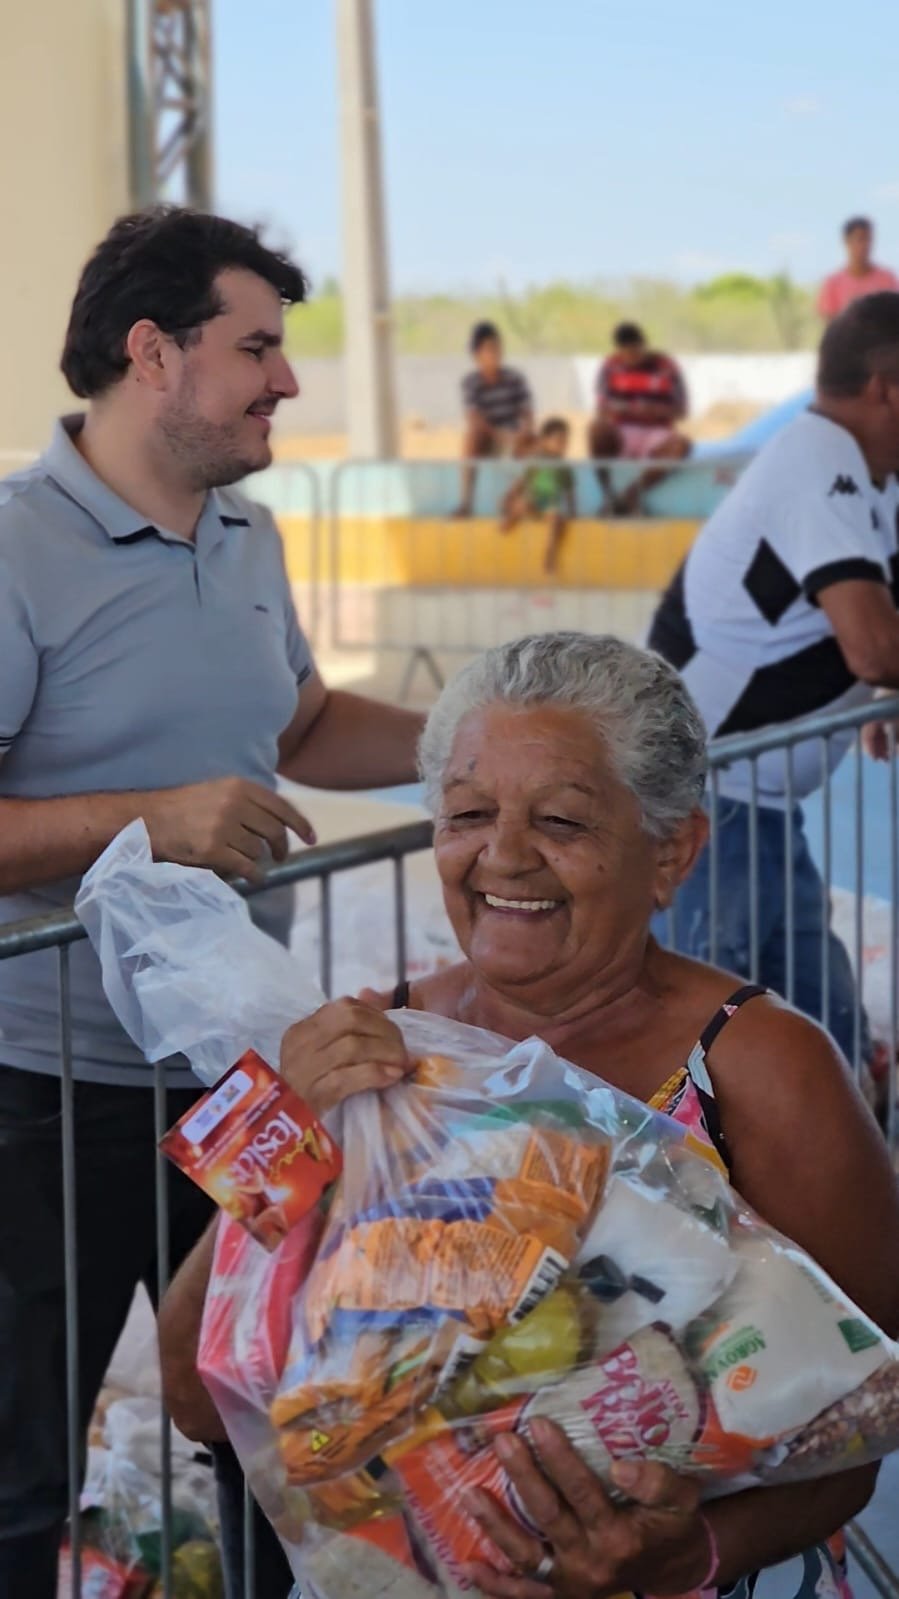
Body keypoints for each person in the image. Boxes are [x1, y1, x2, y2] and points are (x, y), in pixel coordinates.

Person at [160, 632, 899, 1599]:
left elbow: (864, 1419)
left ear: (671, 850)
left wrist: (688, 1556)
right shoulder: (353, 1046)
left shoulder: (765, 1068)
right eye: (468, 813)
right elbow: (195, 1397)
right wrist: (282, 1132)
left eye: (561, 820)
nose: (503, 856)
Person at [0, 204, 424, 1599]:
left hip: (246, 1088)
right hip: (46, 1094)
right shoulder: (13, 546)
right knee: (22, 1467)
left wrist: (478, 736)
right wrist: (150, 821)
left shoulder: (248, 536)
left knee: (284, 1425)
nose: (284, 379)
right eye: (256, 348)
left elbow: (301, 726)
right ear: (152, 352)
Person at [648, 292, 899, 1077]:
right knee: (693, 1050)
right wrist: (880, 674)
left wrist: (877, 691)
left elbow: (872, 633)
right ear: (886, 388)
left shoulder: (867, 479)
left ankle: (844, 1131)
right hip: (706, 808)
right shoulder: (816, 461)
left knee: (825, 1031)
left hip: (756, 810)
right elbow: (873, 645)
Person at [588, 322, 690, 516]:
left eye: (635, 352)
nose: (631, 358)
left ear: (644, 345)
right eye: (626, 354)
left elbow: (682, 410)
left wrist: (658, 411)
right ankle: (608, 494)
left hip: (657, 432)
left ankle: (630, 496)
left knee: (681, 445)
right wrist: (625, 410)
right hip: (623, 430)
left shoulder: (666, 366)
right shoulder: (610, 366)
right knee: (596, 429)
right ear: (618, 351)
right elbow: (601, 409)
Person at [456, 321, 534, 517]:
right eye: (490, 348)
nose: (496, 353)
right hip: (490, 439)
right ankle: (466, 503)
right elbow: (474, 418)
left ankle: (518, 502)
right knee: (471, 437)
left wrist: (524, 432)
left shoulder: (515, 378)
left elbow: (527, 413)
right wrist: (501, 436)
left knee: (538, 447)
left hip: (514, 438)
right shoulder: (471, 382)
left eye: (498, 347)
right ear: (477, 355)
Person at [500, 417, 575, 575]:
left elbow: (569, 491)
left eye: (565, 441)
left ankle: (550, 551)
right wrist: (511, 494)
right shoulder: (537, 460)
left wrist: (573, 511)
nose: (563, 445)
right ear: (545, 441)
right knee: (523, 503)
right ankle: (511, 518)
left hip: (550, 505)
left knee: (557, 520)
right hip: (534, 499)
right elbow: (523, 481)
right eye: (558, 441)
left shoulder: (564, 466)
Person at [818, 217, 898, 322]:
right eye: (860, 239)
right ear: (847, 241)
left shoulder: (888, 279)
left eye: (868, 239)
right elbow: (830, 324)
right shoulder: (833, 283)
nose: (865, 245)